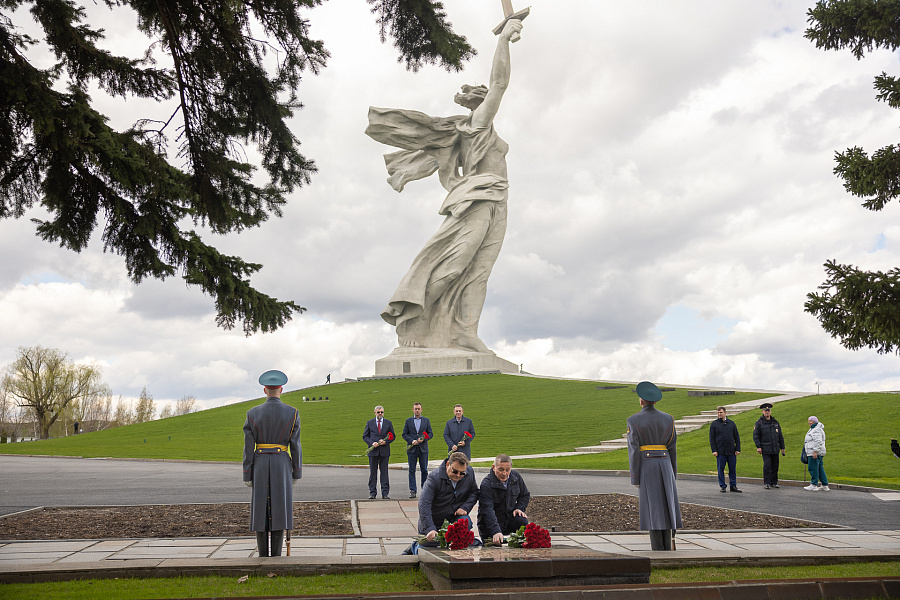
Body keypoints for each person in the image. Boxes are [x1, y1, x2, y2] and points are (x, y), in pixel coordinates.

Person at [365, 19, 525, 353]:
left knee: (479, 272)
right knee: (454, 265)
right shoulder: (477, 125)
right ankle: (414, 320)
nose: (490, 102)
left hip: (498, 199)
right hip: (477, 199)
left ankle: (465, 332)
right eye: (485, 99)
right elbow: (499, 84)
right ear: (478, 105)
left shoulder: (482, 128)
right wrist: (505, 40)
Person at [242, 369, 301, 557]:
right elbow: (295, 446)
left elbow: (248, 448)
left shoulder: (252, 413)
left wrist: (247, 473)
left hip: (259, 464)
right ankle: (276, 554)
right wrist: (296, 472)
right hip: (282, 464)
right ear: (281, 389)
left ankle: (262, 554)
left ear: (264, 390)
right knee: (280, 506)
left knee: (260, 507)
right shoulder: (292, 413)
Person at [626, 381, 682, 551]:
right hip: (665, 464)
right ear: (656, 401)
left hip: (647, 465)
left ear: (641, 400)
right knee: (666, 505)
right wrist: (673, 471)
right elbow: (672, 447)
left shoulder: (633, 420)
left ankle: (658, 548)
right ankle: (667, 545)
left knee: (653, 507)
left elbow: (634, 450)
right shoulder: (668, 419)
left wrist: (635, 476)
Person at [417, 452, 479, 545]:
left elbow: (474, 492)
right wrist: (430, 528)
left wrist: (465, 507)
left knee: (464, 523)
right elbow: (424, 504)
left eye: (462, 473)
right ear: (447, 464)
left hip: (455, 517)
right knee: (431, 544)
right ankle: (414, 546)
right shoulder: (434, 478)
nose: (458, 475)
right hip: (435, 521)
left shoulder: (469, 473)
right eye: (455, 471)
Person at [477, 454, 530, 545]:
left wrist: (519, 508)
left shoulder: (515, 477)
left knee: (522, 521)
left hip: (509, 520)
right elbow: (488, 509)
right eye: (501, 470)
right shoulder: (486, 484)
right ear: (494, 467)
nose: (504, 473)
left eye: (507, 470)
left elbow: (524, 495)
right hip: (490, 525)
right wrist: (496, 531)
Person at [363, 405, 395, 499]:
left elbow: (392, 436)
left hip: (384, 451)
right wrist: (372, 443)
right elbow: (365, 436)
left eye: (381, 412)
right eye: (378, 412)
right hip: (373, 452)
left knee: (384, 472)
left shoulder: (388, 423)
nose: (380, 414)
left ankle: (385, 493)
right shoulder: (370, 423)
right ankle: (372, 492)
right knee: (373, 473)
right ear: (375, 413)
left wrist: (386, 442)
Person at [402, 402, 433, 498]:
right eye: (415, 409)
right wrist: (411, 441)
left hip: (423, 449)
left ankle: (425, 489)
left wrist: (424, 439)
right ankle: (413, 490)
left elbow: (430, 433)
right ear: (413, 410)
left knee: (424, 470)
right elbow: (404, 434)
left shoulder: (426, 421)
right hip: (412, 450)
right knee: (412, 470)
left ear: (421, 410)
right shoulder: (408, 421)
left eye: (418, 409)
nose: (417, 410)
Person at [752, 402, 785, 489]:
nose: (767, 412)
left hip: (775, 448)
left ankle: (773, 482)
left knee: (775, 465)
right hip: (765, 448)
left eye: (768, 410)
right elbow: (756, 436)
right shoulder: (759, 423)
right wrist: (758, 446)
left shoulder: (775, 422)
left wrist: (782, 447)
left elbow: (780, 435)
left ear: (770, 411)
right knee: (767, 465)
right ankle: (767, 482)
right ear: (763, 411)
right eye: (765, 410)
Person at [709, 406, 742, 493]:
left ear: (725, 413)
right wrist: (714, 450)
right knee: (721, 469)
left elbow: (736, 437)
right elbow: (712, 439)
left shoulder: (731, 423)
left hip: (731, 451)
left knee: (732, 469)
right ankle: (723, 486)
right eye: (718, 412)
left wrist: (738, 449)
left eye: (721, 412)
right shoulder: (714, 424)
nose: (719, 414)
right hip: (720, 451)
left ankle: (733, 486)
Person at [804, 416, 829, 491]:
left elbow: (818, 441)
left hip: (813, 452)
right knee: (820, 468)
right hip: (816, 452)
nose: (809, 422)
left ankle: (814, 484)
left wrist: (815, 451)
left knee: (813, 468)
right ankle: (825, 485)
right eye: (809, 420)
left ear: (815, 422)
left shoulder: (816, 430)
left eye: (811, 421)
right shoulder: (815, 429)